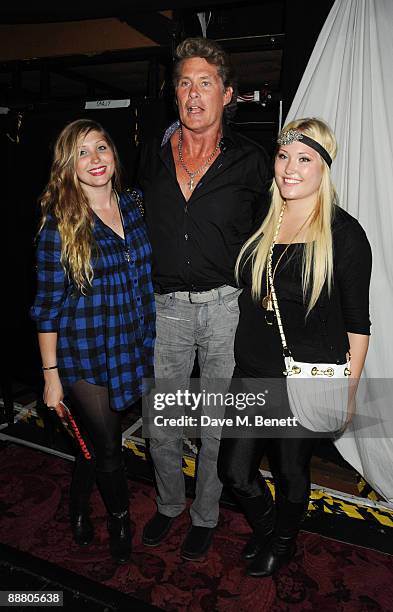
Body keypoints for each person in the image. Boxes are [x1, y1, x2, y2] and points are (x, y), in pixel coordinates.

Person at [218, 117, 371, 576]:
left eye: (304, 159)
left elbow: (358, 325)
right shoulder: (264, 221)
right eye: (284, 156)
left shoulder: (344, 235)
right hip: (252, 371)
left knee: (290, 473)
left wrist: (348, 391)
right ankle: (269, 530)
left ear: (324, 168)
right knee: (236, 472)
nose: (290, 168)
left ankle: (282, 542)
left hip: (307, 376)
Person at [138, 37, 271, 560]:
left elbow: (275, 234)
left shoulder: (252, 162)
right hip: (166, 307)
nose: (194, 94)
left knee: (216, 423)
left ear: (227, 94)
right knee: (163, 418)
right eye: (185, 84)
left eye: (206, 83)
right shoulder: (152, 153)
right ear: (176, 95)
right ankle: (170, 504)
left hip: (226, 308)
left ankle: (206, 514)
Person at [30, 119, 155, 565]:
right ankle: (120, 519)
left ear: (114, 156)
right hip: (84, 352)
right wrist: (50, 378)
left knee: (100, 441)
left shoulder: (136, 205)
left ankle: (77, 504)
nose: (95, 159)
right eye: (82, 152)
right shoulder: (59, 224)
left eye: (101, 148)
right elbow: (46, 307)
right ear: (68, 165)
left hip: (132, 343)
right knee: (108, 446)